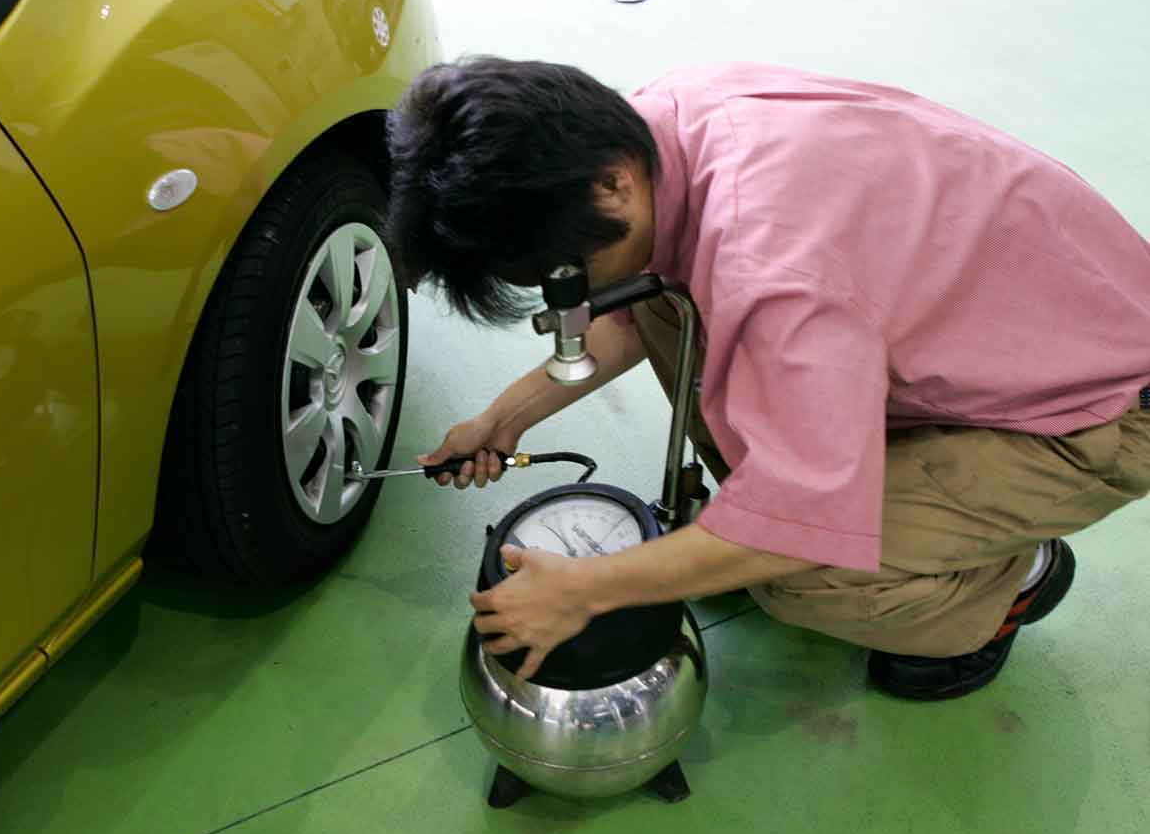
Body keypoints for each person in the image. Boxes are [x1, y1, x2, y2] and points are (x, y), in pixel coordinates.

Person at [384, 57, 1150, 700]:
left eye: (564, 275)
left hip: (1095, 408)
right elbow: (637, 299)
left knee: (803, 579)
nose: (572, 298)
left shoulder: (771, 265)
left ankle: (1014, 581)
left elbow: (798, 522)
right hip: (991, 320)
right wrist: (509, 415)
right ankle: (846, 487)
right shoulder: (659, 126)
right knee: (661, 297)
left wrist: (587, 588)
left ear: (610, 184)